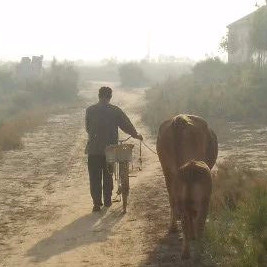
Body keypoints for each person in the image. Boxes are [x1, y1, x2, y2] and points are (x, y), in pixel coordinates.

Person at [85, 86, 143, 212]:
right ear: (110, 97)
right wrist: (136, 135)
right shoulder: (115, 111)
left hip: (93, 149)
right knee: (108, 174)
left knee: (94, 177)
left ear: (99, 96)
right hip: (110, 149)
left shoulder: (90, 110)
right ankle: (107, 200)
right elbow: (126, 126)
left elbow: (88, 129)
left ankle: (96, 203)